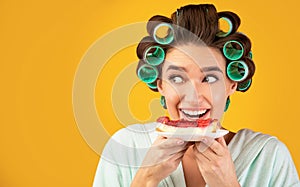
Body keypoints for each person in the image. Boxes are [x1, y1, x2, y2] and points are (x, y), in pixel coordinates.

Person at [92, 4, 299, 187]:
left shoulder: (269, 156)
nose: (193, 96)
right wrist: (145, 179)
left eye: (209, 79)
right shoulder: (124, 148)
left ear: (232, 84)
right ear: (160, 84)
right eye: (177, 78)